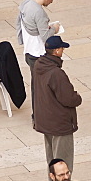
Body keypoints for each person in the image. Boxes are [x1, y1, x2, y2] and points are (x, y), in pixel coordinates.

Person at [33, 37, 82, 169]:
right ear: (56, 51)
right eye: (61, 48)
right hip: (59, 123)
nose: (63, 50)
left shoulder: (39, 65)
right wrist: (77, 97)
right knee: (63, 164)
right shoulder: (56, 73)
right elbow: (69, 98)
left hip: (45, 120)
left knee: (52, 161)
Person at [17, 0, 60, 81]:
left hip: (28, 51)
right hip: (38, 53)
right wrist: (54, 29)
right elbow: (45, 37)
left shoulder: (26, 4)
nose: (52, 1)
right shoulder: (39, 12)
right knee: (40, 86)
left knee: (36, 83)